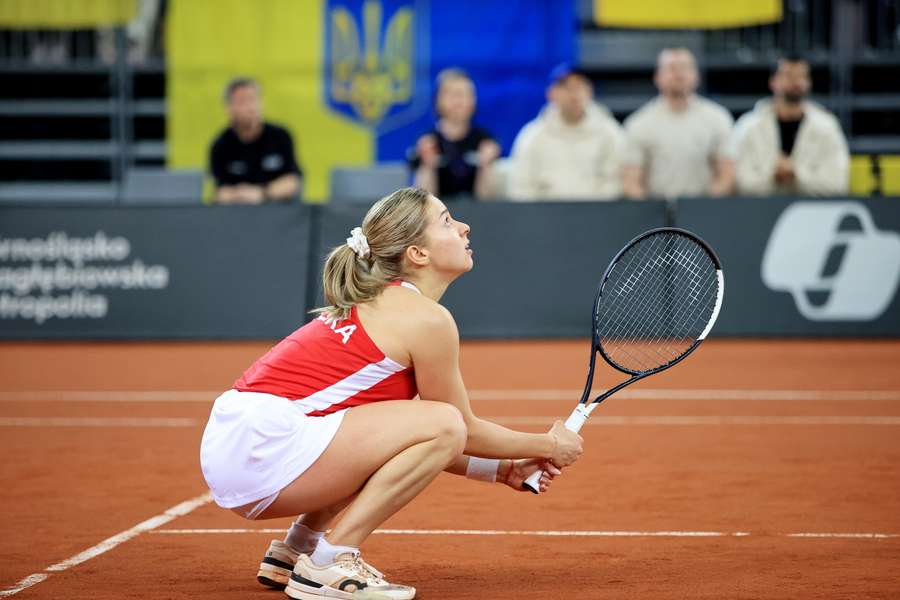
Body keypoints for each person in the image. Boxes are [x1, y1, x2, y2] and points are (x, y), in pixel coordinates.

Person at [199, 187, 583, 599]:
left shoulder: (382, 303)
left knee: (432, 422)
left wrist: (501, 470)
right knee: (444, 420)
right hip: (263, 447)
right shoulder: (427, 319)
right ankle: (330, 561)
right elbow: (459, 430)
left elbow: (407, 442)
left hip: (238, 444)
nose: (464, 227)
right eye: (447, 221)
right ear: (417, 254)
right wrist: (549, 444)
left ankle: (297, 549)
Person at [622, 48, 735, 200]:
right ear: (657, 77)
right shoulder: (639, 123)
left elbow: (727, 175)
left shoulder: (718, 118)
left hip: (705, 210)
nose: (678, 74)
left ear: (696, 76)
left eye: (685, 67)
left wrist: (704, 208)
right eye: (671, 68)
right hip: (655, 213)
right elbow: (631, 182)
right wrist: (652, 212)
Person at [730, 55, 849, 196]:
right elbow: (738, 183)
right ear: (773, 81)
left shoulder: (827, 127)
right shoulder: (748, 126)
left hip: (813, 214)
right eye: (788, 75)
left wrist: (796, 174)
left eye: (801, 76)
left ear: (808, 82)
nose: (795, 82)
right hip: (759, 212)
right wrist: (773, 175)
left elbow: (837, 184)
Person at [507, 63, 626, 200]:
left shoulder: (610, 134)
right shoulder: (532, 136)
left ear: (590, 91)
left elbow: (615, 183)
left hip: (599, 215)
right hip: (545, 217)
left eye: (579, 86)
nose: (574, 94)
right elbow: (521, 187)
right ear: (551, 93)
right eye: (566, 87)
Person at [409, 69, 501, 200]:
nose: (459, 101)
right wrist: (427, 166)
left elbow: (489, 200)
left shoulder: (485, 141)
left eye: (465, 95)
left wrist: (486, 166)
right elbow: (422, 203)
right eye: (452, 95)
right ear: (438, 100)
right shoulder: (427, 142)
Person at [209, 78, 302, 204]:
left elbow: (292, 182)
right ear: (229, 108)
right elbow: (220, 192)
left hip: (276, 212)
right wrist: (240, 194)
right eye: (242, 101)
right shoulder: (221, 144)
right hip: (238, 214)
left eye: (253, 99)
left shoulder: (280, 136)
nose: (250, 107)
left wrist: (262, 193)